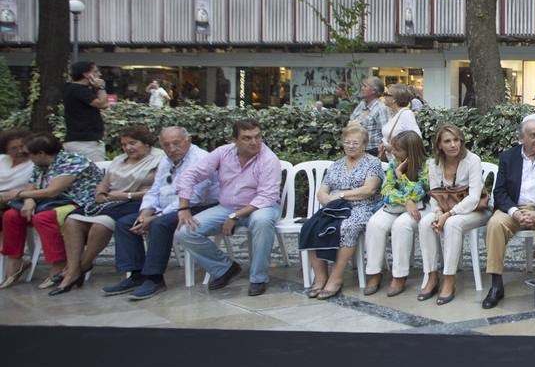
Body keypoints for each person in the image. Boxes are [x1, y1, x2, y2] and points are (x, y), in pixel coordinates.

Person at [104, 126, 219, 300]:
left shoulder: (201, 159)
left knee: (160, 224)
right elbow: (155, 190)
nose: (172, 149)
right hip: (167, 207)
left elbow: (192, 196)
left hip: (197, 206)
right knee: (126, 223)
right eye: (167, 145)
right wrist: (145, 212)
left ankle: (154, 278)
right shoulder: (166, 160)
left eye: (176, 143)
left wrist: (156, 216)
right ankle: (136, 274)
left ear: (188, 141)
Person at [173, 118, 283, 297]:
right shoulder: (223, 153)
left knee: (262, 221)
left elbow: (267, 197)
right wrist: (183, 207)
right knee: (184, 232)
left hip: (260, 207)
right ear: (235, 140)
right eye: (247, 138)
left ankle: (258, 278)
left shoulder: (268, 159)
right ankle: (225, 268)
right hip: (227, 207)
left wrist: (235, 216)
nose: (254, 142)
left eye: (258, 137)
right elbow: (190, 175)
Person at [50, 126, 163, 295]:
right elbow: (105, 182)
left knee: (101, 224)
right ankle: (74, 268)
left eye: (133, 143)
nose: (128, 148)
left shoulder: (158, 159)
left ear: (146, 143)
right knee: (71, 220)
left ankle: (80, 267)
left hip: (138, 202)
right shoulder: (119, 160)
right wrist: (100, 193)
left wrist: (126, 196)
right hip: (109, 202)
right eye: (124, 144)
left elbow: (159, 189)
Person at [482, 117, 535, 310]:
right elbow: (500, 191)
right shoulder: (507, 157)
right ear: (521, 138)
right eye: (533, 136)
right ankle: (496, 284)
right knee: (495, 224)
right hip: (513, 208)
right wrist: (514, 212)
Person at [0, 134, 102, 288]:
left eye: (29, 154)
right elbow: (31, 185)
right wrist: (28, 201)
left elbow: (53, 191)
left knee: (43, 218)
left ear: (40, 153)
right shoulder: (40, 164)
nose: (28, 157)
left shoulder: (72, 160)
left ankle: (58, 265)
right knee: (11, 215)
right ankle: (16, 262)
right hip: (52, 202)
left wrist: (18, 194)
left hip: (79, 203)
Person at [306, 124, 383, 300]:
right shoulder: (336, 165)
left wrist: (340, 195)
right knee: (311, 226)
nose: (350, 146)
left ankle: (336, 278)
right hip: (335, 208)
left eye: (355, 143)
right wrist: (325, 199)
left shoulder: (373, 163)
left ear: (364, 144)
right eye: (347, 142)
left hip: (362, 207)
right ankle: (320, 277)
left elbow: (369, 190)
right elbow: (323, 191)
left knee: (348, 227)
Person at [418, 124, 489, 305]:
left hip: (474, 210)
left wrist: (448, 214)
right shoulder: (433, 164)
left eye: (456, 140)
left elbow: (474, 198)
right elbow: (434, 194)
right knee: (425, 223)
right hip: (445, 210)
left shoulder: (472, 160)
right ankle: (432, 276)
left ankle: (449, 279)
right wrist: (437, 213)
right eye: (447, 141)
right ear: (439, 145)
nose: (453, 145)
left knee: (452, 224)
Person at [363, 129, 427, 297]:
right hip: (396, 206)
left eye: (398, 150)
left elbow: (419, 192)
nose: (393, 153)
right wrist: (406, 201)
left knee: (401, 226)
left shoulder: (426, 166)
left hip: (419, 209)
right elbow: (386, 190)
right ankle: (374, 272)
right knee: (375, 224)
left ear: (410, 151)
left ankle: (399, 275)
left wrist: (401, 176)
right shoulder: (392, 164)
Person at [63, 60, 109, 163]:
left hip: (86, 141)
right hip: (84, 143)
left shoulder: (79, 89)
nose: (99, 75)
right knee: (95, 174)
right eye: (96, 72)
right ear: (86, 74)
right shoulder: (77, 89)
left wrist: (96, 88)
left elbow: (105, 104)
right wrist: (101, 87)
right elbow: (102, 104)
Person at [349, 76, 390, 157]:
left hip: (372, 151)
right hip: (356, 149)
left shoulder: (380, 108)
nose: (362, 88)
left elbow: (386, 133)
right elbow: (351, 121)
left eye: (365, 86)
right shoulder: (362, 104)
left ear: (374, 91)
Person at [380, 84, 421, 158]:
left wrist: (393, 148)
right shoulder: (392, 114)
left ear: (394, 99)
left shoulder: (406, 114)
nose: (384, 96)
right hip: (391, 159)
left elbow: (416, 138)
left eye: (386, 94)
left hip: (400, 161)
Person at [0, 130, 32, 197]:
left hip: (13, 201)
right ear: (6, 150)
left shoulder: (35, 164)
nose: (20, 151)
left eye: (22, 146)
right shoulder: (2, 159)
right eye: (14, 148)